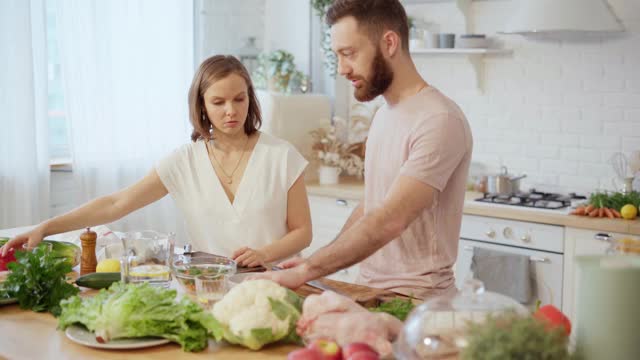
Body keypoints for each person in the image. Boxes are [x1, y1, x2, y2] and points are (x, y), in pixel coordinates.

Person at [0, 55, 312, 268]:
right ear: (202, 106)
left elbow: (302, 231)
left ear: (250, 99)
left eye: (239, 99)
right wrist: (46, 227)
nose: (231, 110)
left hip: (277, 281)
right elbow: (116, 203)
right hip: (208, 289)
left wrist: (263, 254)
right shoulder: (184, 161)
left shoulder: (281, 155)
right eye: (218, 102)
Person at [259, 0, 473, 299]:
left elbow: (389, 219)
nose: (343, 69)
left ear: (389, 43)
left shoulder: (439, 119)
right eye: (338, 56)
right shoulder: (385, 113)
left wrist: (308, 271)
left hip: (416, 302)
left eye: (349, 53)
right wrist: (314, 260)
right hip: (369, 289)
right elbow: (370, 208)